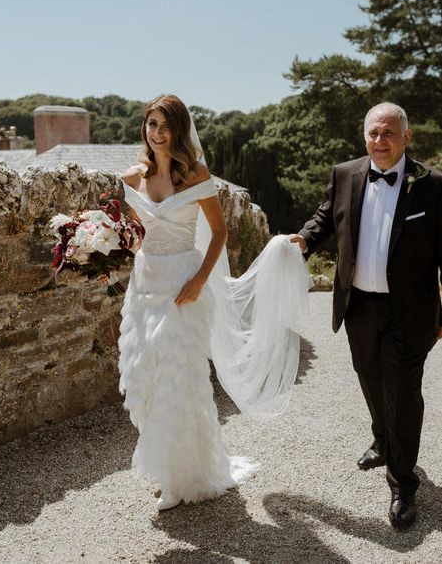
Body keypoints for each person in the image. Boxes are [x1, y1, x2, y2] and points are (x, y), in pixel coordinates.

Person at [118, 94, 306, 511]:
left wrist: (200, 280)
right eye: (151, 124)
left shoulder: (195, 174)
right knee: (146, 375)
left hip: (186, 284)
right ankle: (167, 467)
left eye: (165, 125)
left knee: (181, 378)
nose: (157, 132)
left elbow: (219, 232)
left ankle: (188, 477)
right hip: (146, 284)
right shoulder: (132, 177)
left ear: (179, 130)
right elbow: (133, 235)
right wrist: (103, 245)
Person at [288, 101, 442, 528]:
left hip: (408, 312)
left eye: (388, 133)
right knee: (369, 376)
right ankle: (381, 439)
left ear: (406, 137)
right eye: (373, 133)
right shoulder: (344, 174)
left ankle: (404, 486)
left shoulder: (432, 185)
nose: (380, 141)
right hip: (358, 304)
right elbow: (327, 217)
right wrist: (304, 239)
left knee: (403, 393)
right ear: (364, 136)